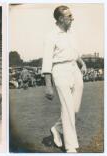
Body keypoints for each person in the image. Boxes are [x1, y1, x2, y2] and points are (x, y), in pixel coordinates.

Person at [42, 5, 87, 153]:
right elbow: (47, 61)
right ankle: (70, 146)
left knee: (74, 108)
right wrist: (48, 85)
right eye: (69, 16)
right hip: (60, 70)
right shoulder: (51, 35)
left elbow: (74, 51)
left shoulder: (71, 31)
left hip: (75, 68)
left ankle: (56, 128)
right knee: (67, 108)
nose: (72, 18)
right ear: (61, 18)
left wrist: (82, 63)